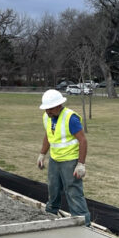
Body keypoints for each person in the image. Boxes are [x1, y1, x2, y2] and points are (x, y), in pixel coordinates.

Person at [37, 89, 90, 226]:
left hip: (70, 161)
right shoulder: (47, 117)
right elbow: (49, 136)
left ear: (58, 105)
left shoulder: (70, 118)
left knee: (73, 192)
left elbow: (83, 141)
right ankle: (50, 215)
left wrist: (81, 164)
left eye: (50, 109)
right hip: (55, 160)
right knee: (53, 189)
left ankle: (83, 223)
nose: (47, 112)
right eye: (46, 109)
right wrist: (42, 154)